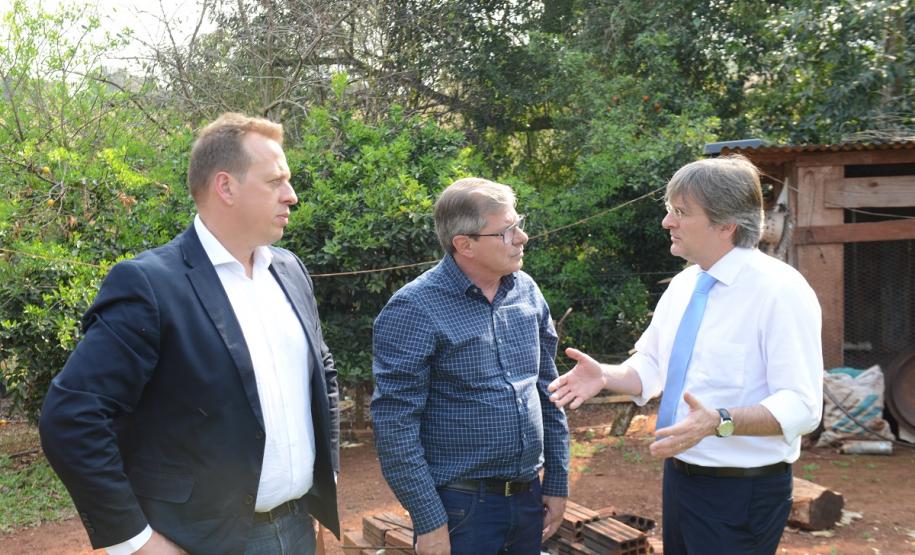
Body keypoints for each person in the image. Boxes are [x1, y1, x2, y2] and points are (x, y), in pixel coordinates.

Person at [39, 113, 340, 555]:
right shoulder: (150, 285)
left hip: (297, 529)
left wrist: (324, 478)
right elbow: (71, 417)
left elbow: (323, 372)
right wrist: (136, 541)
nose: (291, 195)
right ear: (226, 187)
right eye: (275, 181)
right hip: (203, 542)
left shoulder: (290, 270)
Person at [548, 154, 823, 555]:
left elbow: (802, 406)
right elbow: (652, 366)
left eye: (680, 212)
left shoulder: (780, 291)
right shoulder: (685, 285)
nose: (666, 222)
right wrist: (606, 375)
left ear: (726, 225)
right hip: (681, 478)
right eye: (669, 210)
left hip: (742, 492)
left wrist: (720, 421)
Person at [371, 177, 569, 555]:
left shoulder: (526, 291)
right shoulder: (414, 308)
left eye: (519, 224)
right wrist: (429, 521)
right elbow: (395, 425)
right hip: (462, 509)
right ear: (465, 245)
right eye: (507, 231)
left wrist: (557, 481)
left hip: (528, 497)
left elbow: (549, 392)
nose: (522, 237)